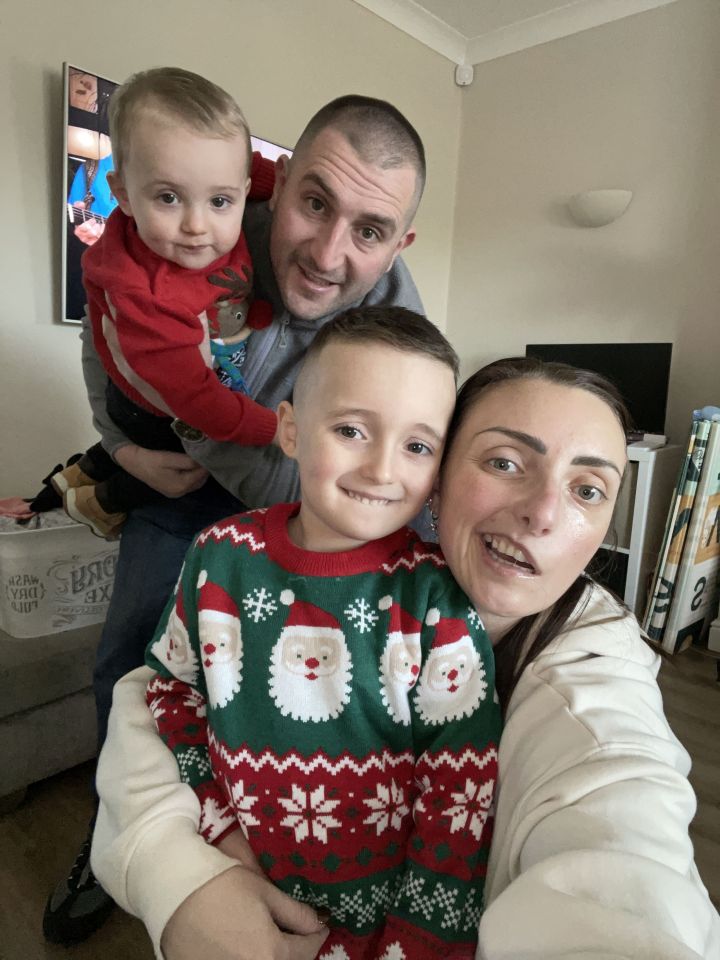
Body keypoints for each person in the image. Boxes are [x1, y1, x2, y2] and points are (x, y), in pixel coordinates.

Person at [91, 357, 720, 960]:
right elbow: (157, 691)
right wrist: (175, 877)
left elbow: (626, 834)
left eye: (588, 489)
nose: (544, 512)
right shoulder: (351, 577)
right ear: (436, 480)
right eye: (505, 461)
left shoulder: (595, 682)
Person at [43, 92, 426, 945]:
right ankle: (119, 831)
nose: (328, 254)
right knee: (133, 654)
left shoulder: (402, 318)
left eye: (369, 231)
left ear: (399, 246)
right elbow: (106, 327)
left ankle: (268, 825)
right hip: (183, 487)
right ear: (276, 182)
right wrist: (122, 448)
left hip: (301, 501)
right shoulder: (208, 216)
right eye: (314, 203)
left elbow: (404, 456)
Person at [144, 306, 502, 958]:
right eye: (351, 430)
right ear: (290, 430)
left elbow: (461, 791)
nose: (382, 471)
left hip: (383, 931)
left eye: (418, 446)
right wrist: (219, 830)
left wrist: (416, 941)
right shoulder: (218, 556)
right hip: (238, 898)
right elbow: (174, 695)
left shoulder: (435, 599)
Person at [54, 66, 279, 540]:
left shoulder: (234, 184)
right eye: (169, 197)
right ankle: (100, 503)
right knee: (178, 467)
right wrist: (273, 428)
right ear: (123, 196)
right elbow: (199, 404)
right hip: (149, 402)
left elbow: (267, 176)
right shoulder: (145, 295)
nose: (197, 225)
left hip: (177, 373)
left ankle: (81, 471)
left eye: (220, 201)